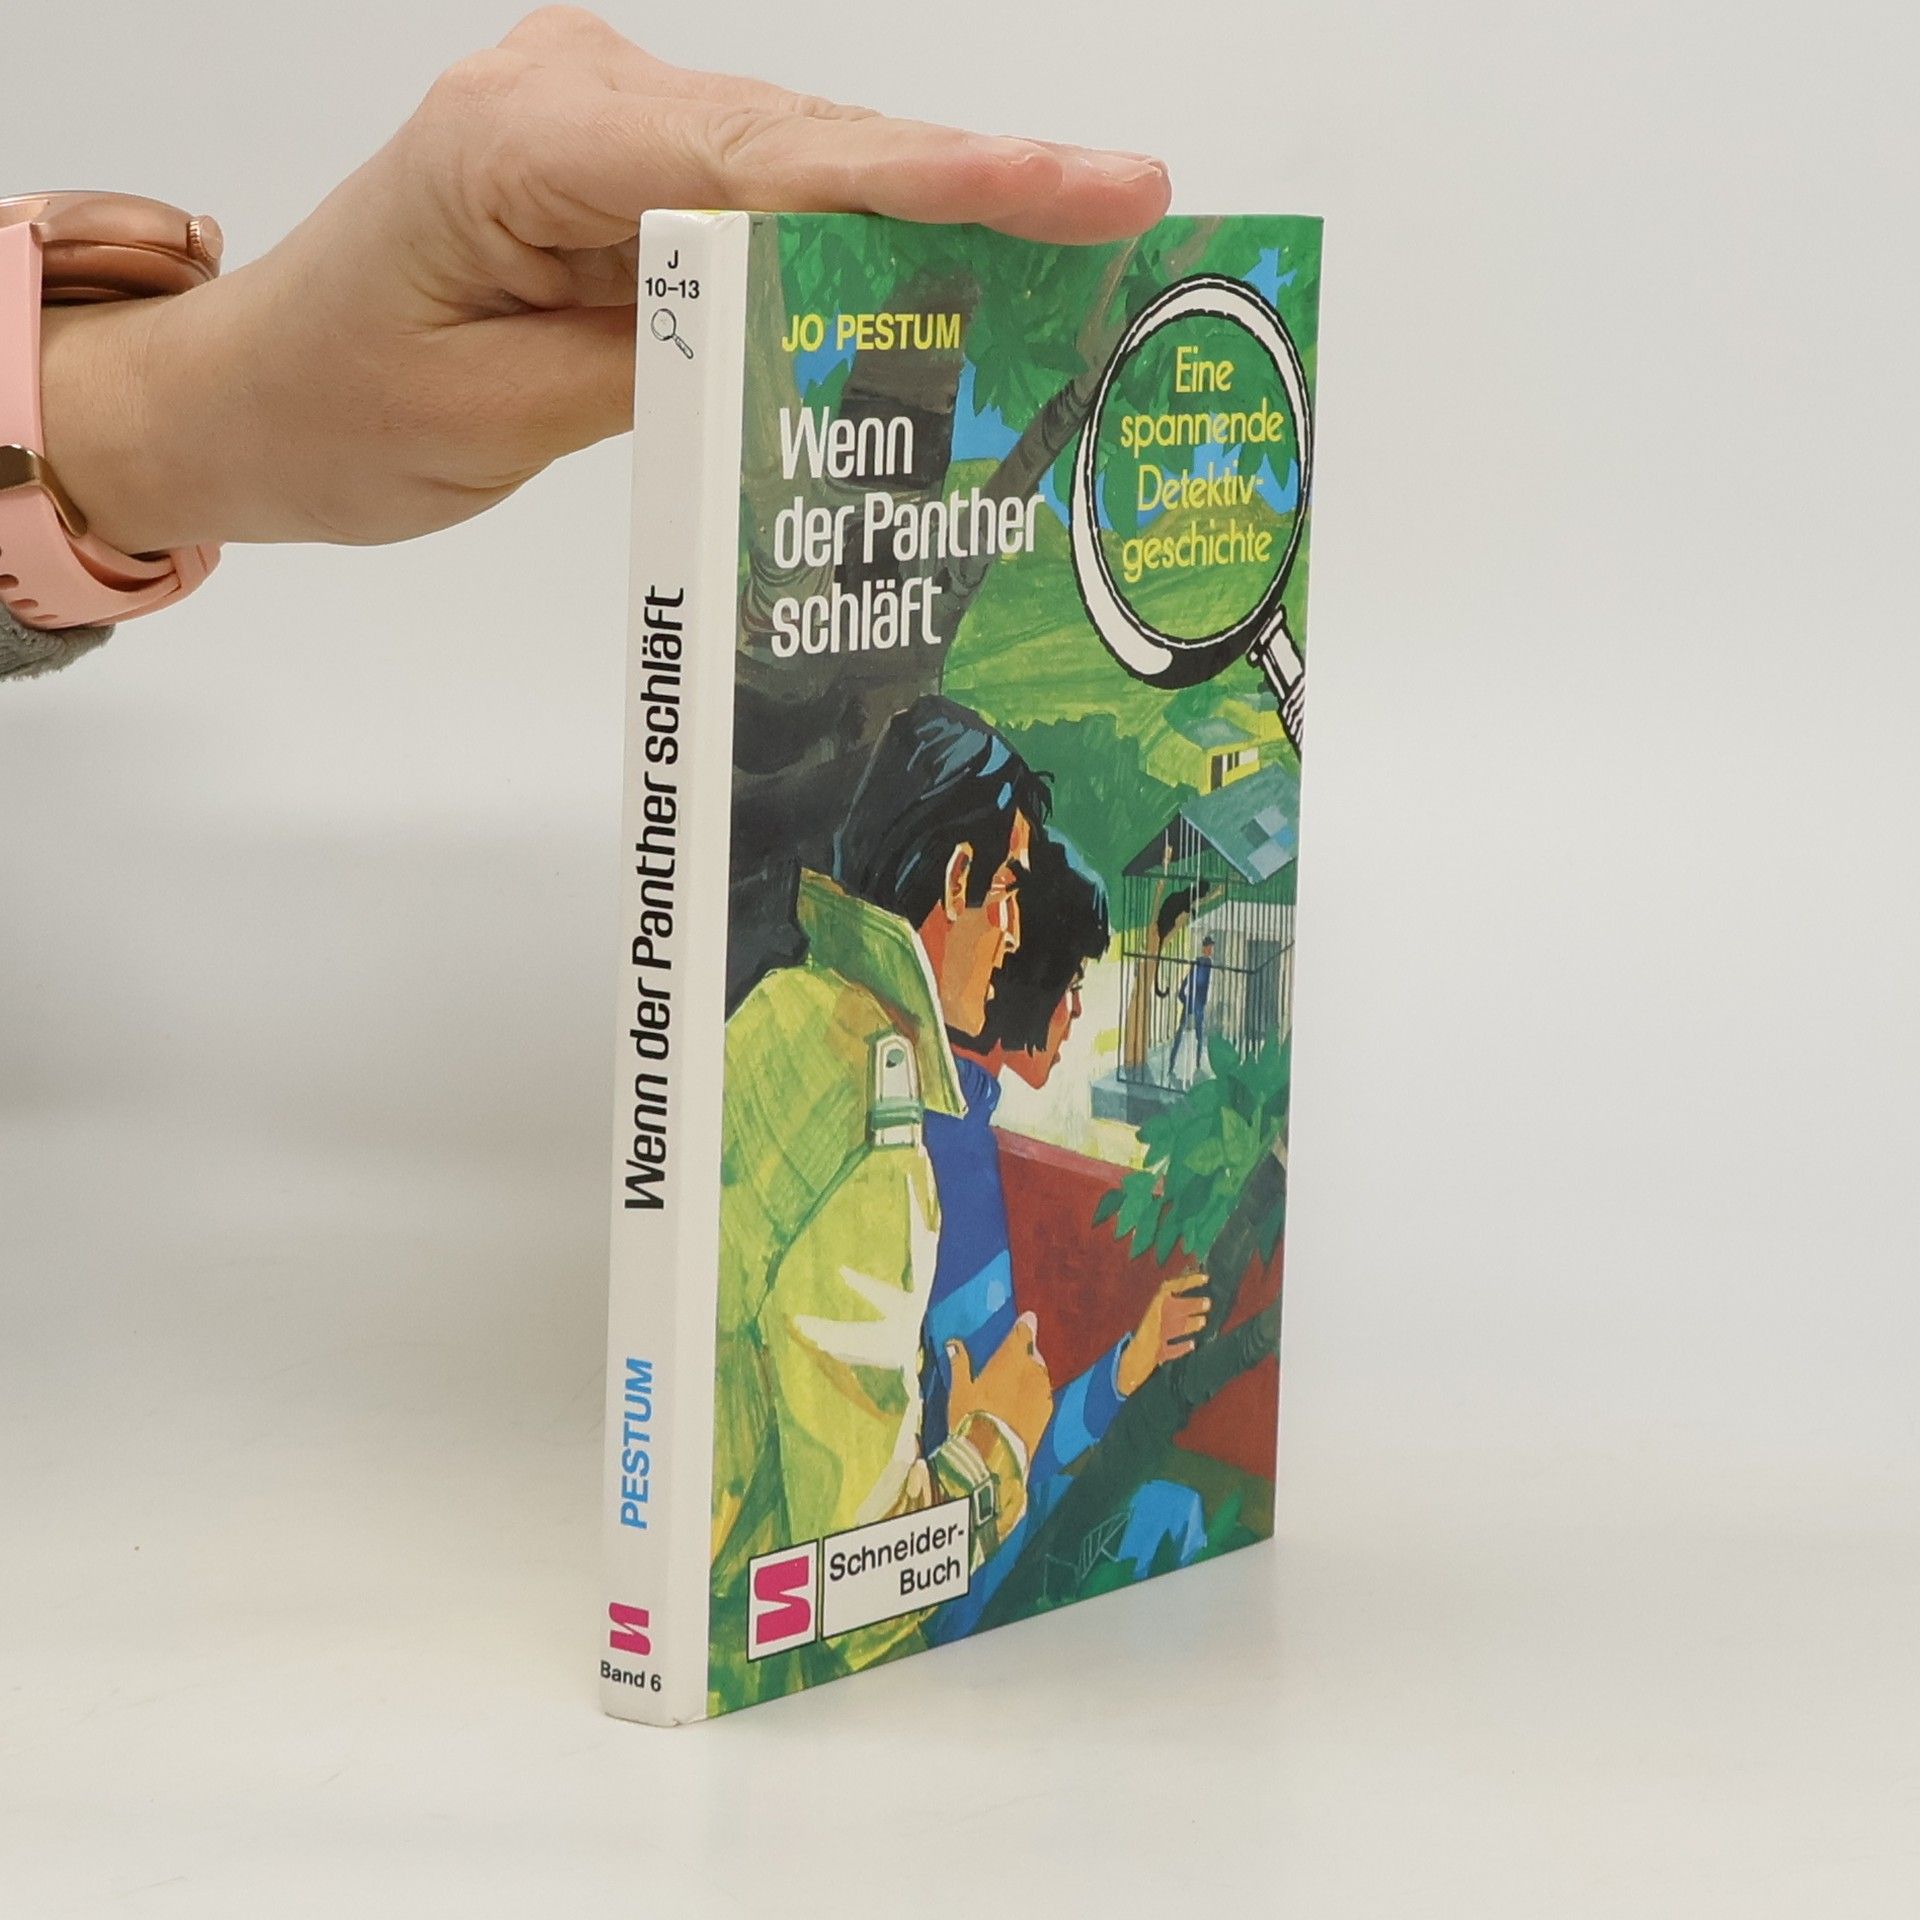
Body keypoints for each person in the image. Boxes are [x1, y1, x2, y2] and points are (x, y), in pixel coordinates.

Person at [1, 8, 1171, 679]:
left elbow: (999, 492)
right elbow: (996, 487)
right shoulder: (848, 590)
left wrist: (160, 412)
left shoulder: (884, 587)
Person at [710, 696, 1057, 1706]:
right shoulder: (879, 1127)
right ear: (956, 881)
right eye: (1007, 890)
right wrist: (997, 1446)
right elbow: (849, 1595)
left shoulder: (782, 1011)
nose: (1013, 932)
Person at [920, 828, 1212, 1641]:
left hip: (958, 1527)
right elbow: (1015, 1446)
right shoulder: (956, 1156)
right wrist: (1128, 1367)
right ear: (1029, 978)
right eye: (1073, 981)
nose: (1079, 1009)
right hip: (964, 1575)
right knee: (1179, 1521)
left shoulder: (955, 1121)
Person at [1170, 934, 1217, 1080]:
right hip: (1194, 1000)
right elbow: (1193, 979)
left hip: (1197, 1001)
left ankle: (1196, 1063)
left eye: (1211, 947)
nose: (1211, 950)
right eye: (1209, 947)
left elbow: (1203, 983)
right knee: (1187, 1031)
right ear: (1205, 948)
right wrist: (1184, 994)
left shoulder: (1206, 963)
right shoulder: (1201, 962)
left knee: (1197, 1033)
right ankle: (1174, 1063)